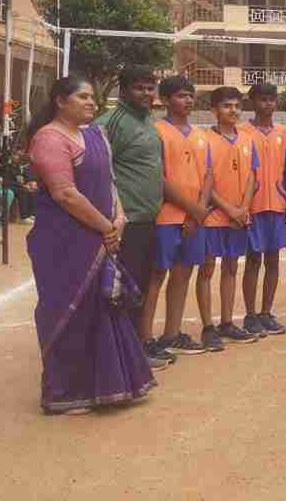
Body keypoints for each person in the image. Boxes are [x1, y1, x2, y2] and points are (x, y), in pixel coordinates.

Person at [26, 76, 155, 414]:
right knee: (69, 310)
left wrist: (120, 216)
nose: (91, 103)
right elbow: (64, 193)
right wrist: (105, 226)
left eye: (93, 98)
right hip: (65, 240)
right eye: (82, 97)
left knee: (105, 307)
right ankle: (65, 394)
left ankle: (110, 385)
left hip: (102, 232)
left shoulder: (96, 135)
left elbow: (110, 180)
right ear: (60, 100)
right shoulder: (49, 139)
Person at [95, 67, 172, 367]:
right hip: (127, 223)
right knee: (121, 289)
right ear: (123, 90)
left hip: (149, 220)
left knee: (139, 286)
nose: (147, 94)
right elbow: (98, 172)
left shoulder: (147, 123)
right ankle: (119, 355)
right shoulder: (109, 123)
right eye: (140, 88)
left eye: (150, 88)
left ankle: (135, 348)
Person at [198, 86, 261, 349]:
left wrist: (243, 208)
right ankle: (207, 327)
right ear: (214, 110)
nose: (232, 110)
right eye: (226, 106)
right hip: (214, 216)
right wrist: (230, 209)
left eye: (236, 105)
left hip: (238, 216)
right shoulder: (204, 140)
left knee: (232, 267)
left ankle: (226, 322)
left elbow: (251, 177)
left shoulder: (247, 139)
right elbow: (204, 183)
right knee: (207, 269)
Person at [154, 76, 212, 356]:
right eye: (180, 95)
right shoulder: (157, 132)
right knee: (156, 277)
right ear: (165, 100)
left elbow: (208, 175)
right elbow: (159, 178)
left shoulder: (201, 135)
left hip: (194, 219)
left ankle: (171, 334)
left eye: (190, 95)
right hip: (166, 217)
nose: (188, 100)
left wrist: (199, 210)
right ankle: (144, 339)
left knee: (182, 276)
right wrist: (193, 209)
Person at [240, 83, 286, 336]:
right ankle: (250, 315)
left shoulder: (284, 132)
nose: (268, 104)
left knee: (273, 260)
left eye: (272, 99)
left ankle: (266, 312)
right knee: (253, 260)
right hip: (254, 205)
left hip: (278, 204)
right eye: (262, 99)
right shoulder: (242, 132)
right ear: (252, 102)